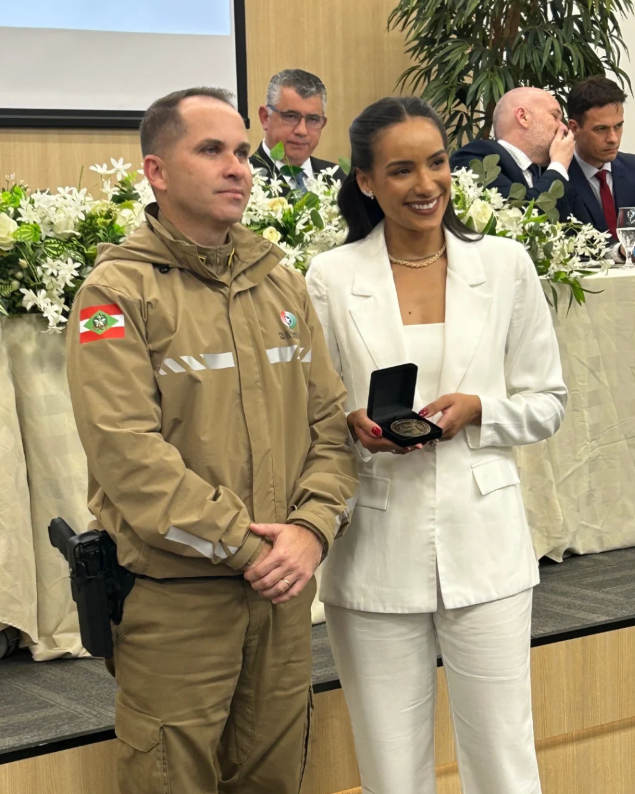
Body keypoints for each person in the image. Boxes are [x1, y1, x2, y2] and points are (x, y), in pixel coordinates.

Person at [66, 86, 358, 794]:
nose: (237, 168)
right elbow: (130, 459)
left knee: (274, 780)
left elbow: (330, 425)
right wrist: (252, 549)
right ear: (157, 171)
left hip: (280, 596)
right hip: (180, 600)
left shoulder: (279, 283)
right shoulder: (116, 294)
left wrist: (312, 530)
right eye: (211, 150)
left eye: (241, 152)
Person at [306, 96, 567, 794]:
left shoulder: (505, 265)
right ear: (366, 181)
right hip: (374, 545)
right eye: (401, 170)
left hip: (485, 542)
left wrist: (480, 410)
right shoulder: (331, 278)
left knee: (503, 761)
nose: (425, 185)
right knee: (391, 769)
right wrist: (353, 426)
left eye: (437, 163)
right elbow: (312, 413)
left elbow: (547, 402)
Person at [450, 86, 578, 220]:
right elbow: (519, 221)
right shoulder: (475, 157)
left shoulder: (550, 171)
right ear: (523, 117)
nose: (564, 127)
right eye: (555, 116)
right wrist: (558, 165)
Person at [250, 68, 346, 195]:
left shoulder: (340, 180)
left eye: (313, 119)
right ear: (265, 117)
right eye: (291, 116)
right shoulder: (242, 180)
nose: (302, 131)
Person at [567, 76, 635, 243]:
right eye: (601, 129)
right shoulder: (557, 178)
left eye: (618, 126)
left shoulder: (632, 168)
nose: (613, 138)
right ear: (574, 128)